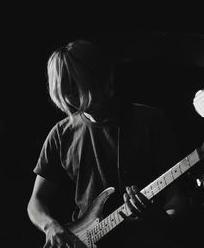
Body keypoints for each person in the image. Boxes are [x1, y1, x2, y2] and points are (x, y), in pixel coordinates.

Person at [27, 39, 188, 248]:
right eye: (63, 86)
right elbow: (35, 202)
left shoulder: (150, 121)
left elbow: (177, 199)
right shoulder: (61, 134)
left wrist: (160, 218)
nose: (69, 94)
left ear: (99, 76)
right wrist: (50, 226)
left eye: (75, 83)